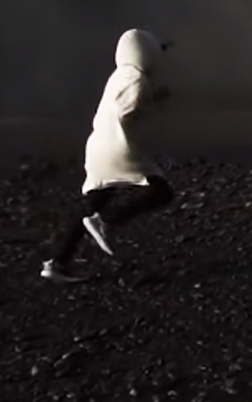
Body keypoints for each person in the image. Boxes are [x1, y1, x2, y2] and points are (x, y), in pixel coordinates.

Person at [41, 29, 175, 283]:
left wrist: (153, 98)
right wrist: (149, 101)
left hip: (96, 150)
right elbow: (128, 108)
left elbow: (123, 102)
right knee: (161, 191)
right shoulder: (136, 77)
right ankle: (107, 221)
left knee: (92, 205)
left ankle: (58, 262)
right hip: (119, 149)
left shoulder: (119, 75)